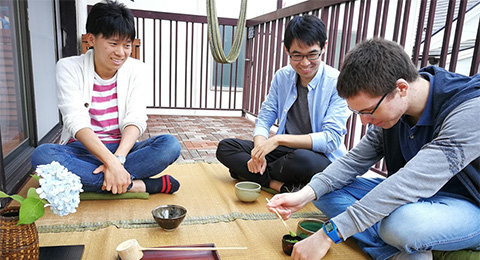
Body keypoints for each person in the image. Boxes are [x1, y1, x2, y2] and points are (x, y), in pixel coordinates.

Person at [267, 38, 480, 260]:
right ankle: (401, 256)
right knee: (324, 190)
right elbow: (353, 161)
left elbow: (409, 183)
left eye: (368, 112)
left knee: (401, 226)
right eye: (359, 113)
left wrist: (328, 234)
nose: (365, 121)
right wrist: (305, 194)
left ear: (401, 88)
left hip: (468, 206)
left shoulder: (470, 108)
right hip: (414, 199)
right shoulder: (393, 109)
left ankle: (402, 246)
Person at [31, 0, 181, 195]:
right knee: (42, 156)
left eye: (127, 45)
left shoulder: (138, 70)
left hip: (123, 150)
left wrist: (117, 160)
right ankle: (139, 185)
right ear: (91, 40)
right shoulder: (68, 67)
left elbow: (135, 119)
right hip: (83, 150)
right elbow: (75, 121)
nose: (121, 52)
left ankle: (94, 181)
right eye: (113, 43)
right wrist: (110, 163)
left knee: (170, 146)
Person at [216, 15, 349, 193]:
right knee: (226, 147)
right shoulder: (282, 76)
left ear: (323, 48)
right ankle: (276, 184)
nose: (305, 63)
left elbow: (331, 139)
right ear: (287, 50)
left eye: (312, 54)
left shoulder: (337, 82)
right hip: (285, 153)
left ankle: (245, 172)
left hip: (318, 157)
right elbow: (265, 117)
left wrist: (278, 139)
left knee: (304, 161)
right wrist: (258, 151)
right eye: (297, 55)